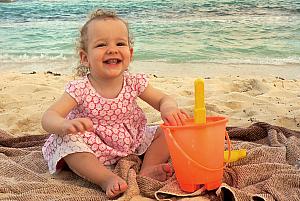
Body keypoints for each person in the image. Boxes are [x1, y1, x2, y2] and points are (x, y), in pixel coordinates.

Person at [41, 9, 189, 199]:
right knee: (66, 142)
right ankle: (105, 178)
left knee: (170, 129)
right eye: (102, 44)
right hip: (92, 142)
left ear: (130, 53)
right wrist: (64, 125)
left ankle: (148, 168)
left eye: (120, 43)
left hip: (131, 139)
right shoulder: (80, 88)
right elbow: (48, 117)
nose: (112, 49)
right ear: (85, 58)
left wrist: (168, 108)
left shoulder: (134, 82)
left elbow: (163, 99)